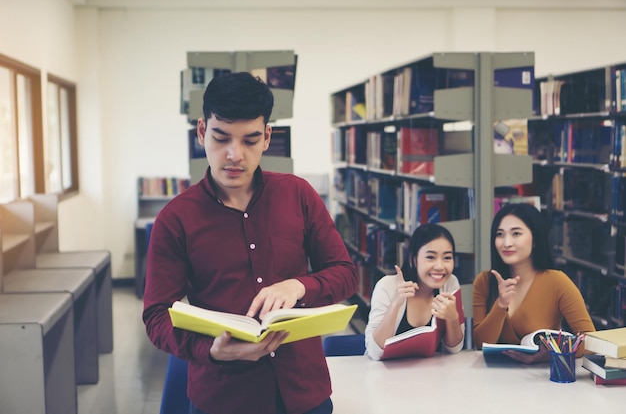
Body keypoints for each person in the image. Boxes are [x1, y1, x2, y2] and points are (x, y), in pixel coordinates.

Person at [142, 71, 358, 414]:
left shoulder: (298, 194)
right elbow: (156, 316)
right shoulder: (176, 218)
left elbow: (345, 273)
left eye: (250, 140)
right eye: (222, 138)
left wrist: (299, 286)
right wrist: (210, 350)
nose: (235, 155)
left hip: (304, 391)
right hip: (224, 397)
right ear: (201, 132)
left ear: (267, 137)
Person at [472, 202, 595, 363]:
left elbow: (591, 341)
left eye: (516, 234)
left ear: (535, 239)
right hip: (494, 380)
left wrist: (551, 354)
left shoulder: (557, 281)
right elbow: (480, 344)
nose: (506, 242)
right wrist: (500, 305)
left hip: (542, 380)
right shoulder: (484, 281)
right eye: (500, 234)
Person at [365, 223, 465, 361]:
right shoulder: (386, 286)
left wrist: (453, 318)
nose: (440, 266)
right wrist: (395, 305)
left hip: (430, 376)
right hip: (386, 376)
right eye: (430, 257)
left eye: (447, 258)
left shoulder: (450, 283)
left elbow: (454, 348)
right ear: (413, 260)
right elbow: (375, 352)